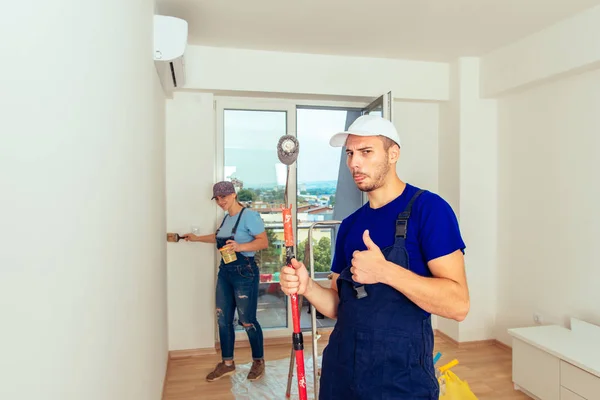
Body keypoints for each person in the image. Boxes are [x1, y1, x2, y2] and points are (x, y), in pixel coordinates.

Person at [279, 114, 470, 399]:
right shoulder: (350, 225)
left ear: (393, 154)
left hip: (400, 380)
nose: (354, 163)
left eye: (366, 152)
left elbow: (458, 305)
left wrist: (386, 272)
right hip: (341, 373)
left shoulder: (429, 210)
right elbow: (338, 306)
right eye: (350, 154)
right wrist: (307, 287)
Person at [183, 181, 269, 382]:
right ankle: (227, 363)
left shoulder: (249, 216)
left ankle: (258, 361)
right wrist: (196, 239)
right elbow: (217, 237)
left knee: (247, 320)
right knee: (223, 319)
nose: (220, 201)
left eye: (224, 197)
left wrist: (240, 246)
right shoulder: (226, 219)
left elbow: (263, 241)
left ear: (233, 194)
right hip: (225, 272)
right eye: (217, 199)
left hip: (245, 271)